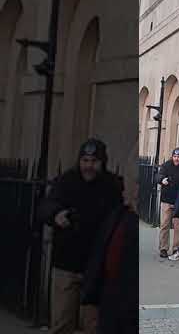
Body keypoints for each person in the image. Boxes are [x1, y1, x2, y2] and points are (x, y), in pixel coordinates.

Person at [38, 138, 123, 334]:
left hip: (96, 267)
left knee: (92, 325)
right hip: (66, 264)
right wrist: (56, 214)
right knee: (61, 323)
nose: (88, 166)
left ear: (102, 162)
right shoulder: (66, 181)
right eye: (85, 160)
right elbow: (45, 207)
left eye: (93, 161)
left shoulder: (111, 186)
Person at [82, 146, 139, 334]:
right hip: (109, 301)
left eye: (136, 182)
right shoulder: (119, 215)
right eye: (130, 181)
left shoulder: (131, 221)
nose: (129, 188)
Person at [156, 147, 179, 258]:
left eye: (178, 157)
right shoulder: (166, 165)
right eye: (175, 156)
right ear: (172, 156)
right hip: (166, 199)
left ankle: (176, 249)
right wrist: (162, 180)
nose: (176, 159)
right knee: (164, 225)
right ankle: (163, 248)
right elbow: (158, 175)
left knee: (178, 226)